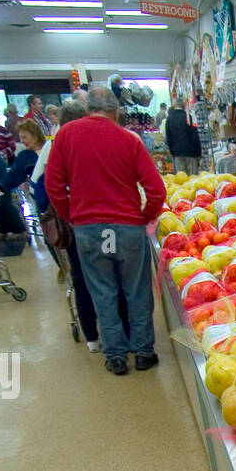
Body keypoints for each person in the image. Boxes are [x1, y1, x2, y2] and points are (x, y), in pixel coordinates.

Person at [45, 84, 166, 375]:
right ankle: (144, 352)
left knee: (104, 292)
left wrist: (72, 216)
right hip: (127, 228)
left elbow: (53, 186)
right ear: (116, 111)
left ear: (88, 109)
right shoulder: (130, 139)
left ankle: (115, 356)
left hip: (90, 229)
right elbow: (156, 191)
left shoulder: (65, 137)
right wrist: (143, 217)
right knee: (137, 291)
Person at [32, 98, 104, 352]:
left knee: (82, 277)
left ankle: (92, 338)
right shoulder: (82, 143)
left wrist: (66, 212)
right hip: (95, 223)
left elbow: (38, 189)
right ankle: (112, 335)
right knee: (106, 276)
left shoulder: (53, 147)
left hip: (75, 226)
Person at [164, 97, 202, 174]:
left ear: (174, 106)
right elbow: (195, 136)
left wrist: (172, 152)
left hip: (177, 153)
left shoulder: (169, 119)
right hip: (190, 152)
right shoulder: (188, 117)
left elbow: (168, 138)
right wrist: (198, 153)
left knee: (182, 178)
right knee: (193, 178)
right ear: (184, 105)